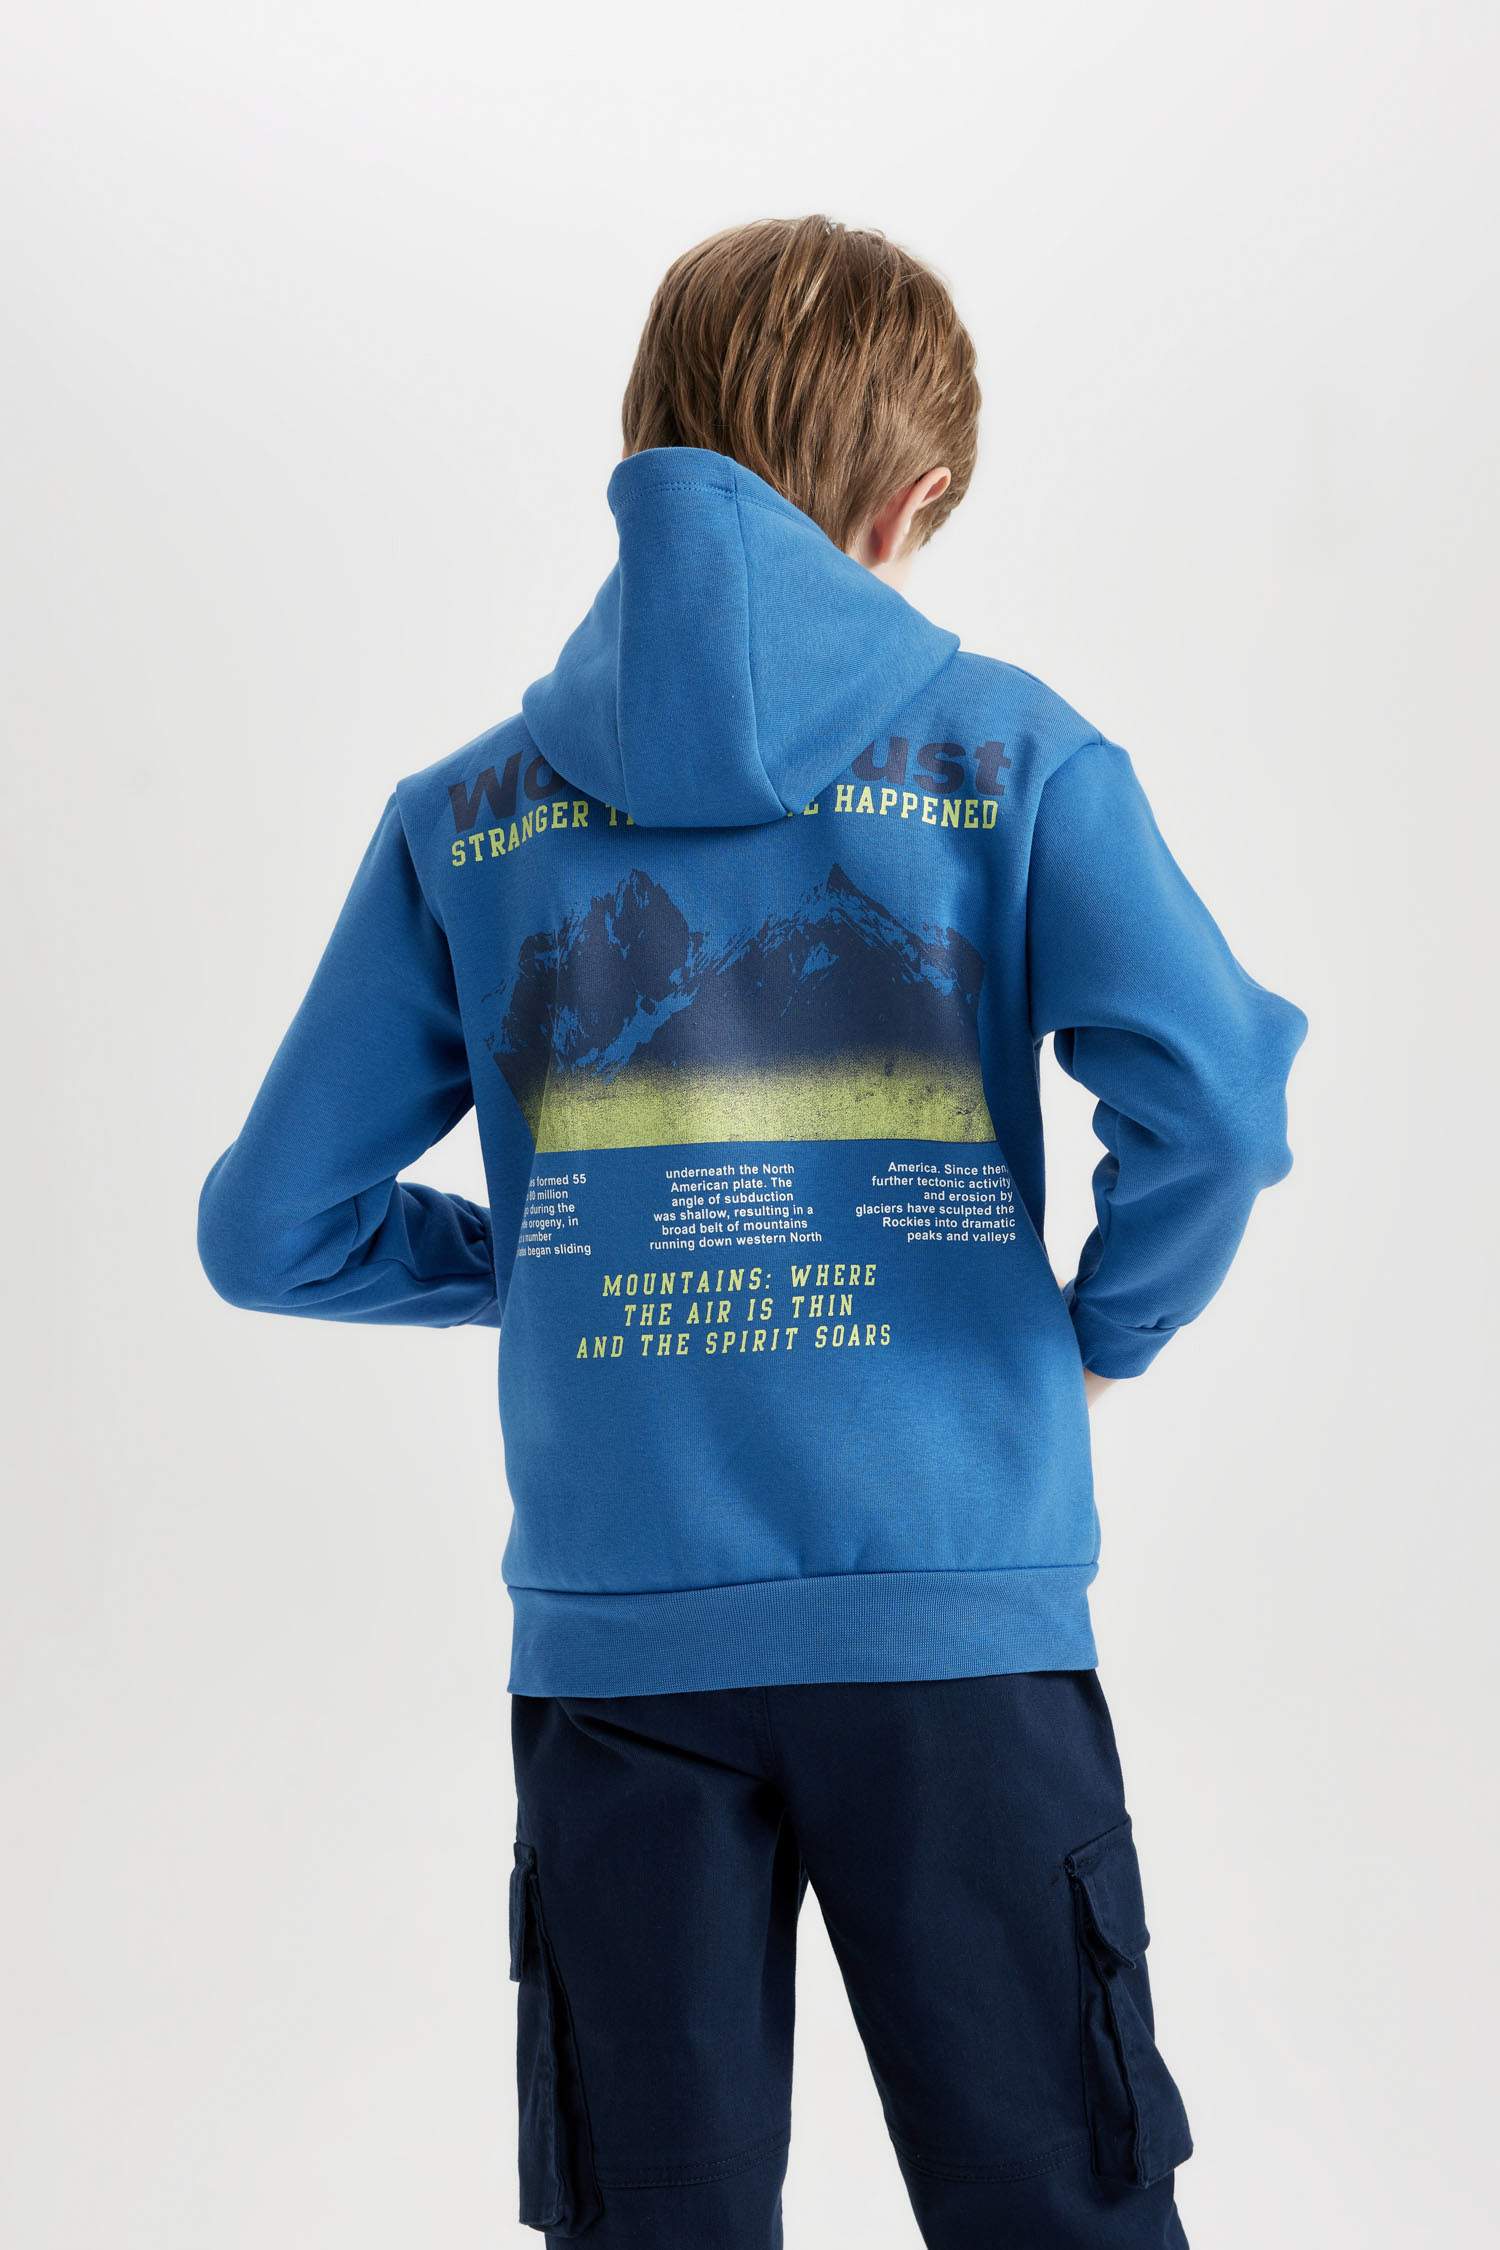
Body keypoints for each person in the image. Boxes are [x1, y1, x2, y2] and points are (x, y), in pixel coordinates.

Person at [199, 215, 1306, 2248]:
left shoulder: (465, 816)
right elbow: (1216, 1101)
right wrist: (1108, 1326)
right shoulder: (1016, 758)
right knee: (1061, 2212)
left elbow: (272, 1225)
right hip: (959, 1628)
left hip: (617, 1657)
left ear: (649, 439)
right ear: (914, 505)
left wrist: (545, 1254)